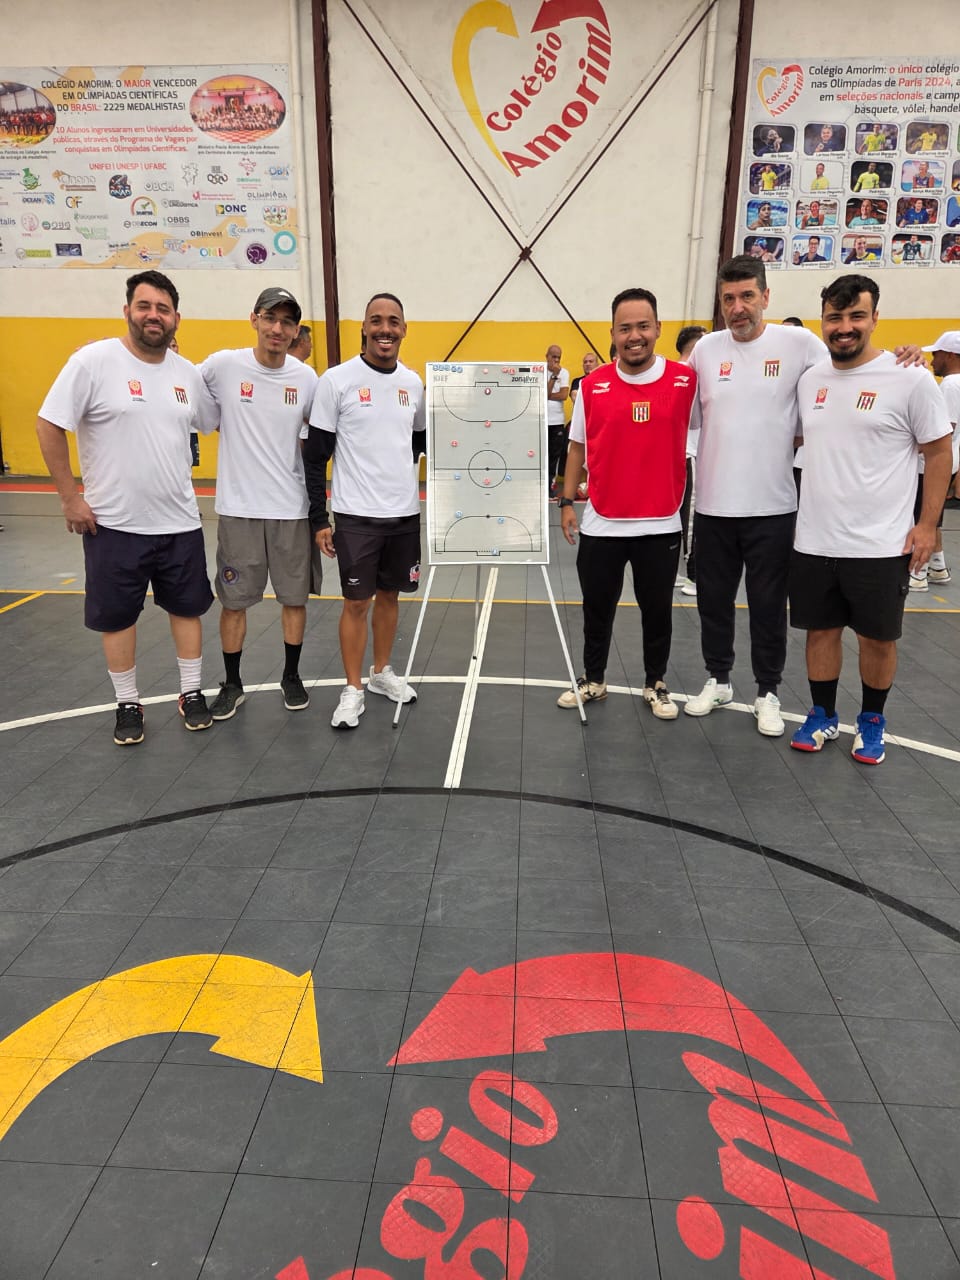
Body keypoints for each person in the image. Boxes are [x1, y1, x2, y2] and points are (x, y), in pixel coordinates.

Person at [36, 270, 219, 745]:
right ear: (127, 311)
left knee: (188, 610)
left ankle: (191, 692)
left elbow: (214, 418)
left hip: (179, 521)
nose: (153, 315)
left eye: (163, 309)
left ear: (176, 319)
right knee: (118, 618)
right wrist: (69, 497)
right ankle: (128, 702)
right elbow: (49, 424)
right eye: (145, 306)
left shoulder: (187, 373)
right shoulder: (92, 362)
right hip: (114, 524)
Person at [789, 275, 952, 764]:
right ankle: (822, 714)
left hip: (881, 543)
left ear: (875, 318)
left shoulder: (910, 378)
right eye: (835, 318)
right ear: (823, 321)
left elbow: (939, 453)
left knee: (877, 639)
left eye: (856, 316)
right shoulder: (810, 380)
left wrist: (928, 525)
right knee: (820, 632)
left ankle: (872, 720)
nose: (844, 327)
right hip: (815, 538)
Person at [684, 255, 829, 735]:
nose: (738, 307)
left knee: (768, 606)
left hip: (773, 507)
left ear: (766, 296)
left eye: (747, 296)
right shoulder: (706, 351)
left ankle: (768, 691)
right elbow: (679, 409)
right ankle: (719, 679)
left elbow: (848, 374)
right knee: (713, 602)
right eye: (729, 298)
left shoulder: (799, 344)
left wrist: (900, 357)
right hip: (713, 506)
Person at [556, 288, 698, 720]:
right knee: (596, 610)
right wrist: (566, 502)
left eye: (643, 326)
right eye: (625, 328)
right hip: (603, 521)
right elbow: (577, 447)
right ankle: (594, 679)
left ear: (658, 329)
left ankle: (656, 682)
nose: (634, 336)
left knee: (657, 612)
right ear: (613, 333)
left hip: (661, 522)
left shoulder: (686, 381)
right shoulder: (592, 386)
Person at [303, 292, 424, 729]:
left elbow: (420, 445)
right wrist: (320, 519)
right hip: (355, 516)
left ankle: (381, 672)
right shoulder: (337, 381)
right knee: (357, 602)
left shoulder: (414, 384)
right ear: (364, 328)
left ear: (404, 329)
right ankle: (352, 688)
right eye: (376, 320)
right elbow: (315, 456)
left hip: (404, 514)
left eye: (393, 321)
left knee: (390, 596)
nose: (385, 329)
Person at [199, 287, 320, 720]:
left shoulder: (306, 379)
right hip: (239, 510)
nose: (277, 328)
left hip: (291, 509)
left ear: (295, 331)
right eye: (270, 318)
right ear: (254, 319)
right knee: (234, 602)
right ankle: (232, 684)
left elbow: (321, 435)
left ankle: (291, 675)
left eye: (287, 322)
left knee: (294, 599)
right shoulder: (223, 366)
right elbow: (174, 380)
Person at [675, 325, 708, 596]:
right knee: (690, 517)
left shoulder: (673, 372)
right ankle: (693, 575)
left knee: (677, 516)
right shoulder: (690, 376)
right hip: (688, 453)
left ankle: (675, 571)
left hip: (680, 454)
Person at [545, 344, 571, 495]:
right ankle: (541, 486)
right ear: (547, 356)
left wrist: (548, 395)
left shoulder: (564, 372)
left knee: (554, 457)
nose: (556, 360)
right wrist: (554, 376)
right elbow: (543, 394)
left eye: (558, 357)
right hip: (543, 421)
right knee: (542, 456)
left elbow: (564, 395)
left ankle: (551, 487)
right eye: (553, 356)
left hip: (557, 421)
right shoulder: (541, 371)